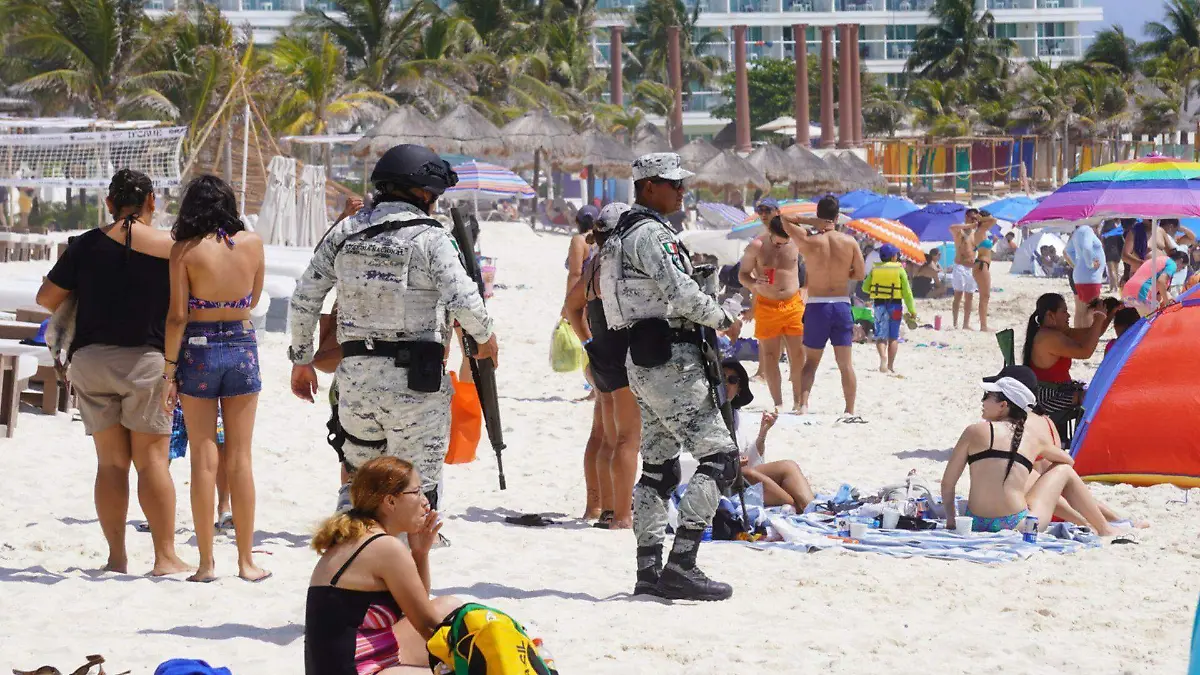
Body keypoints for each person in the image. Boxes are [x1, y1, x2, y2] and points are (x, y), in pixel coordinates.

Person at [288, 144, 497, 519]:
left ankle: (358, 554)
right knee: (419, 489)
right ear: (422, 193)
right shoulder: (431, 237)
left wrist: (301, 359)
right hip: (415, 387)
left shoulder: (346, 233)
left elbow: (304, 299)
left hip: (356, 384)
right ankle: (409, 566)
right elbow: (466, 302)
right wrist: (486, 337)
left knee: (362, 484)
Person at [598, 152, 741, 601]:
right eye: (673, 184)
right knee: (721, 458)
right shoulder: (651, 234)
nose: (681, 191)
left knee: (659, 470)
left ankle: (647, 572)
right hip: (673, 358)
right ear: (646, 186)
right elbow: (680, 294)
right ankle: (682, 564)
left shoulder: (619, 235)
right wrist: (723, 317)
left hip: (643, 358)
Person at [35, 169, 188, 577]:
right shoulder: (171, 248)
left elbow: (47, 298)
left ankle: (117, 557)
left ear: (109, 204)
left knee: (110, 465)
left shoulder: (85, 245)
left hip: (91, 362)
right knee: (153, 462)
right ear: (152, 202)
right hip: (147, 363)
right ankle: (164, 556)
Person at [159, 175, 267, 583]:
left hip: (198, 349)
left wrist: (169, 371)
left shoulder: (183, 251)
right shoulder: (253, 244)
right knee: (240, 458)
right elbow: (253, 301)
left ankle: (206, 565)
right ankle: (246, 562)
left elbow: (177, 316)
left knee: (204, 457)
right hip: (241, 344)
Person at [305, 457, 462, 675]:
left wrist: (420, 554)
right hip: (356, 669)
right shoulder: (385, 548)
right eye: (416, 492)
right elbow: (427, 626)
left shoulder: (362, 537)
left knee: (448, 607)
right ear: (390, 502)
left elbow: (416, 607)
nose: (426, 502)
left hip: (369, 655)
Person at [940, 366, 1127, 536]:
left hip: (977, 523)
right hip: (1017, 524)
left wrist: (950, 520)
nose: (982, 401)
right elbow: (1067, 462)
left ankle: (1091, 523)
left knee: (1026, 477)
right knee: (1062, 472)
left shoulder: (974, 431)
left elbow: (948, 483)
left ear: (1003, 405)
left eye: (987, 396)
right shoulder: (1031, 437)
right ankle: (1105, 528)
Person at [563, 202, 640, 529]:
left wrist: (588, 342)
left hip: (600, 356)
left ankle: (599, 508)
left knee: (604, 436)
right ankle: (621, 515)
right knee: (627, 440)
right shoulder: (624, 264)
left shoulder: (595, 265)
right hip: (623, 359)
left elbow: (571, 306)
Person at [780, 195, 866, 421]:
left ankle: (803, 405)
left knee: (811, 362)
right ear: (838, 217)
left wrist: (811, 222)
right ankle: (849, 409)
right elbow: (860, 274)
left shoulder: (809, 241)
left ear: (818, 216)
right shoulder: (850, 242)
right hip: (840, 304)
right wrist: (841, 273)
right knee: (845, 364)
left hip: (817, 306)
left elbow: (783, 219)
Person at [738, 197, 807, 411]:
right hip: (767, 306)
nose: (763, 213)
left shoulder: (797, 241)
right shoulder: (756, 245)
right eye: (760, 210)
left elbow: (816, 264)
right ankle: (778, 402)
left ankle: (798, 401)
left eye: (768, 209)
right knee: (769, 356)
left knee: (798, 355)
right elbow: (742, 275)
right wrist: (753, 284)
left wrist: (807, 289)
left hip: (793, 304)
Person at [1022, 293, 1114, 443]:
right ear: (1050, 315)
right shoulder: (1047, 337)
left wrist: (1108, 314)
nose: (1068, 315)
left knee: (1093, 391)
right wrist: (1098, 318)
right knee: (1090, 397)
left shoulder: (1057, 333)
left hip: (1058, 390)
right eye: (1064, 311)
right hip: (1047, 397)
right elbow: (1085, 352)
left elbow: (1092, 334)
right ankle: (1082, 443)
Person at [723, 360, 814, 511]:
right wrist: (730, 464)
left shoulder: (736, 417)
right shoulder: (706, 415)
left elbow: (750, 459)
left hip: (740, 477)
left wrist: (762, 433)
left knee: (788, 465)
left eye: (732, 380)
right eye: (722, 378)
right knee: (747, 473)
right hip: (717, 480)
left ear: (738, 389)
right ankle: (797, 507)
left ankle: (813, 509)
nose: (726, 383)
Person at [862, 243, 917, 374]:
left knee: (881, 336)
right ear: (893, 257)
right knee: (893, 337)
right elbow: (907, 293)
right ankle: (891, 366)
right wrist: (912, 310)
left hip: (879, 305)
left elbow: (864, 287)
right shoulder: (899, 269)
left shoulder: (875, 269)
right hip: (895, 305)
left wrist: (875, 289)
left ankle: (883, 359)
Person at [1063, 222, 1107, 328]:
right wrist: (1090, 264)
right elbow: (1087, 248)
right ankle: (1086, 336)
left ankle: (1079, 335)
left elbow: (1068, 251)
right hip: (1090, 276)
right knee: (1091, 309)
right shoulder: (1087, 230)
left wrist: (1077, 264)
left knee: (1081, 310)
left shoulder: (1078, 232)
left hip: (1081, 275)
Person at [966, 210, 996, 331]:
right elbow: (994, 220)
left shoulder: (980, 231)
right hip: (982, 265)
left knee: (984, 296)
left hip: (981, 264)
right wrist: (981, 219)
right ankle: (983, 326)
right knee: (985, 296)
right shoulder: (981, 230)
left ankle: (983, 325)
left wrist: (981, 219)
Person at [948, 212, 978, 330]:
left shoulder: (975, 234)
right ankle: (955, 323)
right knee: (958, 295)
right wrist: (968, 225)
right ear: (967, 217)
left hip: (971, 267)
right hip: (960, 266)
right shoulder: (959, 231)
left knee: (969, 297)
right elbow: (951, 227)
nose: (974, 221)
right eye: (972, 218)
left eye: (976, 218)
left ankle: (966, 323)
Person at [564, 205, 600, 302]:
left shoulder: (579, 241)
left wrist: (569, 303)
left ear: (577, 221)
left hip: (584, 298)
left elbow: (575, 274)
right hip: (600, 296)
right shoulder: (602, 239)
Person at [1101, 221, 1125, 293]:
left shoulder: (1105, 232)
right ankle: (1115, 286)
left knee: (1111, 270)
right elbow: (1122, 242)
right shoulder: (1117, 232)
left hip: (1109, 251)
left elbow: (1102, 243)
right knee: (1116, 270)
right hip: (1117, 252)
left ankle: (1113, 288)